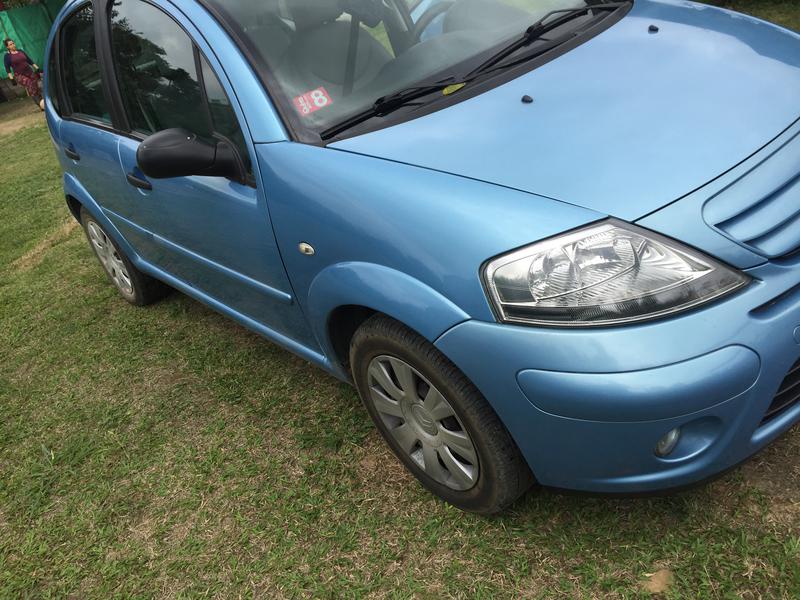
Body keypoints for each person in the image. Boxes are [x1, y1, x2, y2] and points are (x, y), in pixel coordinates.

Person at [4, 39, 44, 110]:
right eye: (10, 44)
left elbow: (29, 61)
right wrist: (11, 79)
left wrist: (37, 69)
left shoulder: (20, 51)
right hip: (19, 75)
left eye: (13, 43)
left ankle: (43, 103)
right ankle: (40, 104)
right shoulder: (7, 56)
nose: (13, 45)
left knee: (36, 87)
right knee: (30, 85)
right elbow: (7, 69)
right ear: (7, 47)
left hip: (30, 72)